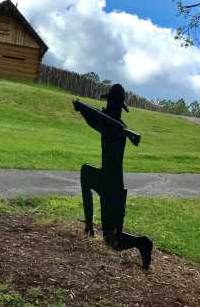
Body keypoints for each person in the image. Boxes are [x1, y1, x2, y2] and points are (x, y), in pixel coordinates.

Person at [73, 84, 153, 270]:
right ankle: (89, 226)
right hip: (105, 176)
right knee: (86, 173)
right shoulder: (113, 124)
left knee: (112, 241)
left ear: (115, 105)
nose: (109, 106)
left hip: (113, 186)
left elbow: (97, 124)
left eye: (111, 103)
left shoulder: (117, 128)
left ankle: (142, 243)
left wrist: (84, 112)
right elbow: (98, 122)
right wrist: (84, 111)